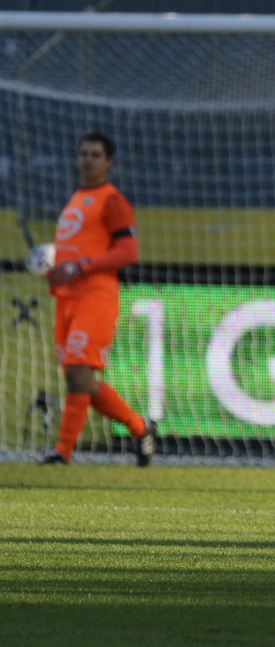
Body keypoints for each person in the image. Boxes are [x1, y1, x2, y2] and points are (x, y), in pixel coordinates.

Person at [41, 132, 157, 467]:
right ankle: (140, 427)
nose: (87, 159)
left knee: (79, 374)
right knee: (82, 381)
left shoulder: (111, 200)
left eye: (95, 154)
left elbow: (128, 250)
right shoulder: (75, 199)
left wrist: (80, 265)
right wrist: (57, 268)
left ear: (109, 162)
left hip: (96, 296)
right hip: (67, 298)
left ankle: (62, 452)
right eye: (83, 153)